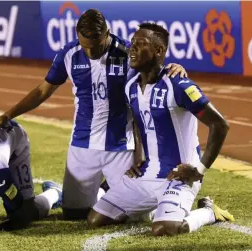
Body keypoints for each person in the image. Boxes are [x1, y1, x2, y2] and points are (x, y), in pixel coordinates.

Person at [0, 9, 188, 220]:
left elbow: (153, 70)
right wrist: (7, 115)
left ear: (107, 34)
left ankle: (105, 193)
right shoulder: (69, 53)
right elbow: (43, 90)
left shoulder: (126, 52)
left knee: (136, 218)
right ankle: (64, 193)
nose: (89, 52)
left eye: (95, 47)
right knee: (73, 215)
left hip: (121, 148)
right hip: (82, 145)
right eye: (84, 46)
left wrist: (173, 67)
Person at [87, 23, 234, 236]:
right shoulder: (131, 87)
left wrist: (198, 171)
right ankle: (158, 207)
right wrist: (139, 155)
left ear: (159, 51)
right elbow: (139, 121)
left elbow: (220, 125)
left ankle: (208, 212)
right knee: (96, 219)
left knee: (165, 228)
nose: (133, 49)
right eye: (133, 43)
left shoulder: (179, 85)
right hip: (146, 175)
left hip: (178, 176)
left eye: (141, 44)